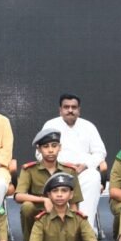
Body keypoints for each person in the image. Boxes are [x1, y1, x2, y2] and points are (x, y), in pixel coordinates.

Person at [40, 93, 107, 232]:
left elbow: (100, 152)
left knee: (94, 177)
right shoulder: (50, 125)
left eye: (74, 107)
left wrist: (86, 165)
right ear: (60, 110)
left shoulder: (89, 126)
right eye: (66, 107)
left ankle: (86, 228)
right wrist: (62, 165)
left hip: (83, 171)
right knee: (60, 184)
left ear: (79, 110)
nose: (70, 110)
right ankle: (64, 229)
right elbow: (39, 153)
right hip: (58, 171)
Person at [14, 128, 82, 241]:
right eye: (46, 146)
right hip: (38, 212)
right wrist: (44, 200)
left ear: (60, 147)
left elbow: (74, 204)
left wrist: (74, 225)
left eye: (54, 146)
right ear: (39, 149)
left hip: (61, 211)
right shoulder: (29, 170)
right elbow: (18, 196)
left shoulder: (69, 170)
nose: (50, 150)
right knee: (27, 207)